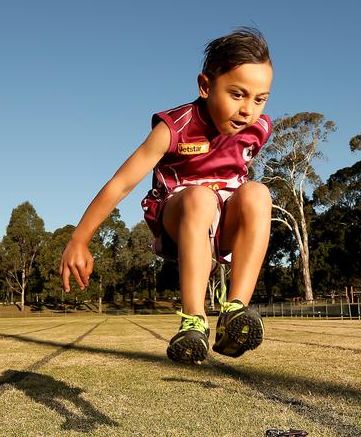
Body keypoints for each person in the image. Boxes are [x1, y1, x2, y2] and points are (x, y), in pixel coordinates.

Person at [59, 28, 274, 363]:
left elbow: (238, 186)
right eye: (237, 94)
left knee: (258, 193)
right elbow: (121, 183)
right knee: (201, 198)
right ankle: (194, 321)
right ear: (205, 86)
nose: (249, 110)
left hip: (221, 227)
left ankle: (234, 313)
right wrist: (79, 239)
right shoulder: (175, 127)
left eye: (260, 99)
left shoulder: (258, 130)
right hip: (179, 219)